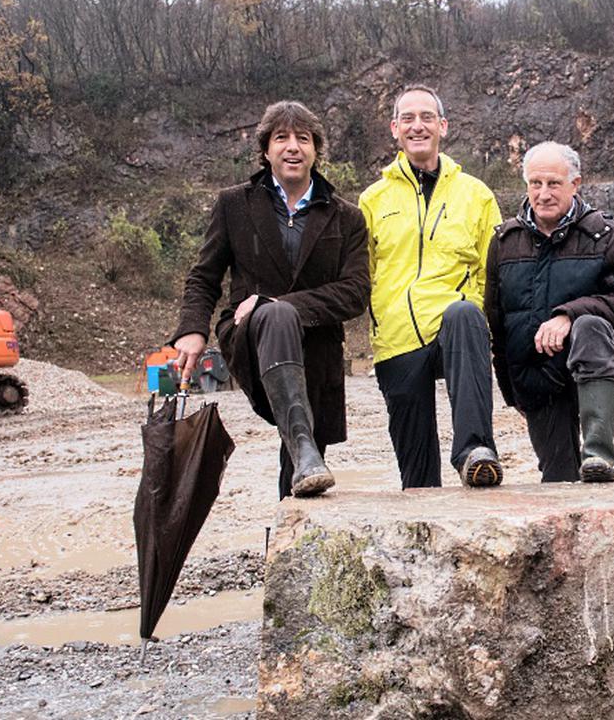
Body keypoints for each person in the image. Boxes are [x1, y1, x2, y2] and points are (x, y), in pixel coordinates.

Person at [172, 100, 370, 499]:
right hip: (252, 340)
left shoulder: (345, 216)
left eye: (303, 138)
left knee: (306, 468)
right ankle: (303, 450)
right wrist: (192, 329)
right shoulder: (234, 204)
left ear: (316, 149)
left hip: (316, 348)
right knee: (304, 444)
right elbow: (205, 275)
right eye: (281, 137)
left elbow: (355, 292)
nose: (292, 147)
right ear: (266, 150)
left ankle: (287, 539)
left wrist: (277, 301)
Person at [360, 85, 504, 489]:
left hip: (453, 328)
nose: (417, 126)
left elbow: (489, 270)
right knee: (418, 478)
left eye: (426, 117)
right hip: (397, 337)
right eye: (408, 118)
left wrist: (473, 312)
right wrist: (378, 322)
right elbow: (363, 273)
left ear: (443, 126)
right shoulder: (372, 199)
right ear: (394, 129)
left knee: (463, 314)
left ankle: (475, 449)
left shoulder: (476, 194)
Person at [485, 142, 614, 483]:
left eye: (554, 184)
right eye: (535, 183)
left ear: (575, 184)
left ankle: (598, 453)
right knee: (557, 480)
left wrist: (570, 315)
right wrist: (512, 391)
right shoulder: (504, 241)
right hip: (536, 378)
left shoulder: (606, 235)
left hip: (593, 367)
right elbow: (497, 325)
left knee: (588, 324)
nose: (543, 194)